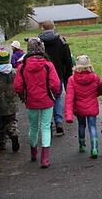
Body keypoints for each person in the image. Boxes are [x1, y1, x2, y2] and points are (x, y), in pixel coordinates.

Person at [14, 38, 61, 169]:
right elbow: (56, 85)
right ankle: (45, 158)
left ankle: (33, 152)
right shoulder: (48, 65)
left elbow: (17, 86)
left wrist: (23, 96)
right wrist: (54, 94)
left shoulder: (22, 67)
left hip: (31, 101)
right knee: (45, 127)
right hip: (47, 100)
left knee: (33, 127)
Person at [38, 20, 74, 136]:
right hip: (59, 74)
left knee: (46, 99)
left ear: (42, 28)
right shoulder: (61, 42)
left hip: (43, 75)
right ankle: (58, 121)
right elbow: (68, 60)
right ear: (54, 27)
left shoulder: (38, 43)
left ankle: (48, 124)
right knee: (57, 97)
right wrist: (68, 74)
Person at [64, 55, 102, 159]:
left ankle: (82, 145)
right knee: (92, 126)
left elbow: (69, 98)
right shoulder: (94, 77)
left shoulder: (72, 80)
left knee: (81, 125)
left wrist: (68, 115)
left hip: (79, 108)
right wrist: (95, 95)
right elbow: (101, 88)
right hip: (92, 106)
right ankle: (94, 147)